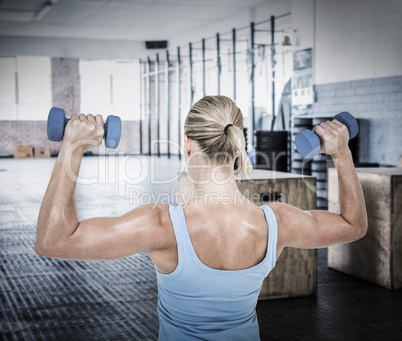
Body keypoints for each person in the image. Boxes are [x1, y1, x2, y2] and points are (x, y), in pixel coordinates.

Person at [36, 95, 368, 340]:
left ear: (187, 144)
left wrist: (72, 146)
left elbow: (53, 240)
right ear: (239, 145)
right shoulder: (276, 222)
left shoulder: (160, 225)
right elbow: (354, 225)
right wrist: (341, 153)